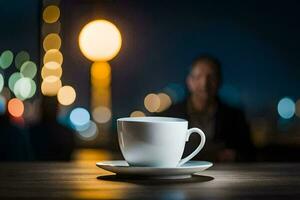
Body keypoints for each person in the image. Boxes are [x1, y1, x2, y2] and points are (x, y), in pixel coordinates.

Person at [161, 54, 255, 162]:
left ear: (219, 81)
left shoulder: (235, 117)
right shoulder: (169, 115)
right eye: (198, 77)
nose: (204, 83)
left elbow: (250, 153)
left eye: (211, 77)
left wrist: (235, 156)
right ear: (189, 81)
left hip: (225, 175)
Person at [29, 96, 74, 161]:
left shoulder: (30, 132)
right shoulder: (66, 133)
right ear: (57, 110)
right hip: (60, 169)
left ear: (40, 109)